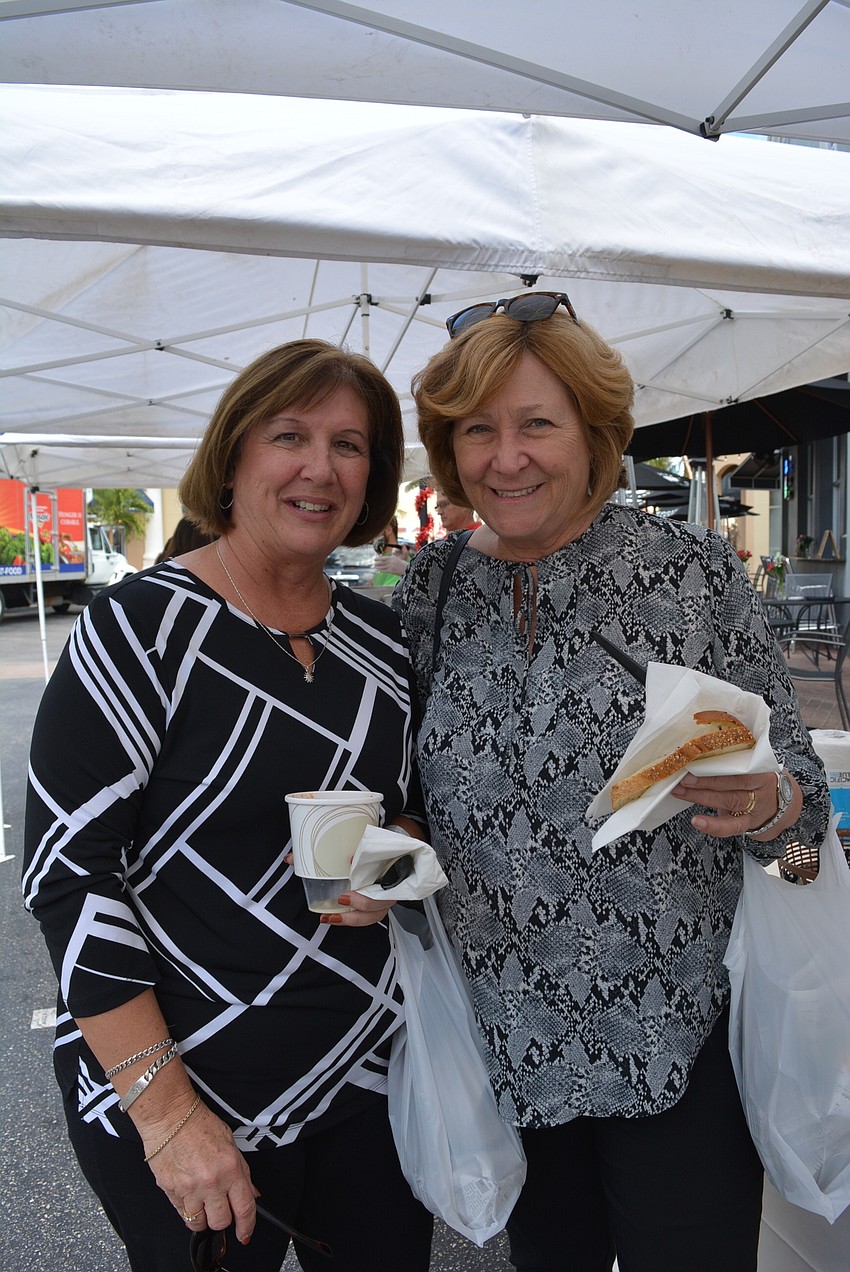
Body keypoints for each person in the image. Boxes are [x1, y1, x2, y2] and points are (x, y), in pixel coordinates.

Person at [394, 292, 830, 1272]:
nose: (506, 458)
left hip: (679, 1046)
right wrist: (389, 854)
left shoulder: (692, 575)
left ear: (596, 434)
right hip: (509, 1042)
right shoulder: (430, 591)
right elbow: (403, 797)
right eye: (477, 430)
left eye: (537, 424)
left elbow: (804, 846)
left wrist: (770, 807)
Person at [23, 339, 434, 1272]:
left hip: (369, 1081)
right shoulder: (139, 628)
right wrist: (169, 1120)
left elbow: (417, 817)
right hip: (184, 1088)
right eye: (289, 435)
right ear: (235, 454)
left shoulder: (384, 636)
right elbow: (69, 878)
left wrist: (392, 857)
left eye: (350, 445)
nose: (320, 468)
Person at [372, 516, 411, 587]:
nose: (372, 536)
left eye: (376, 530)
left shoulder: (399, 561)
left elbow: (388, 592)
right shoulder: (383, 559)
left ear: (388, 530)